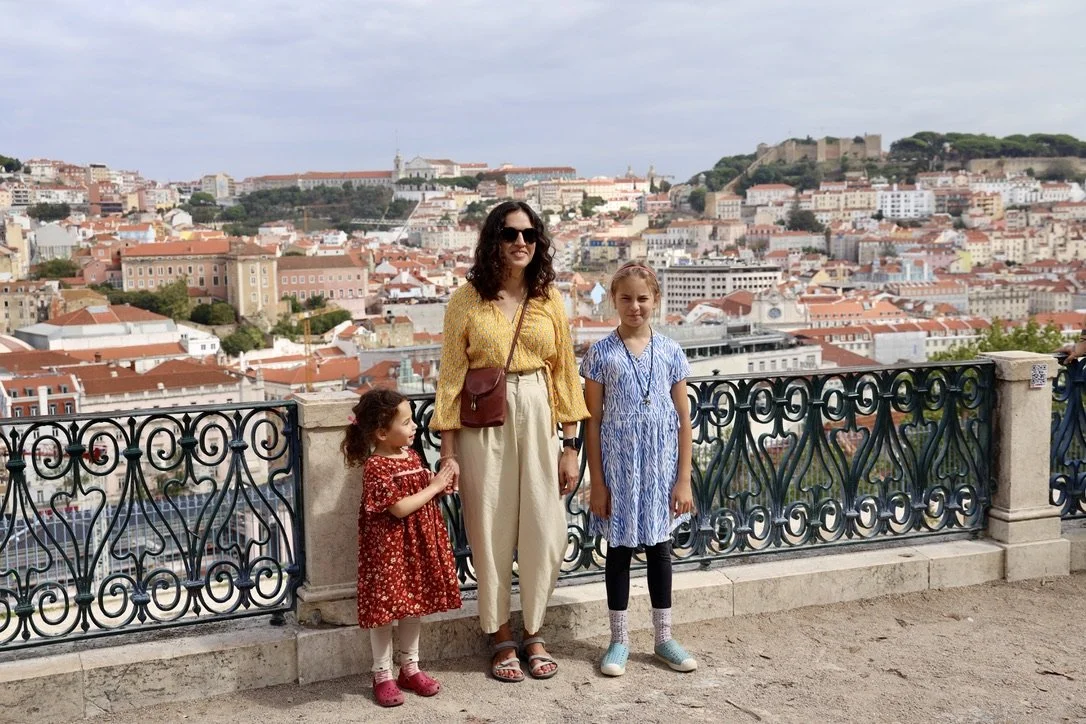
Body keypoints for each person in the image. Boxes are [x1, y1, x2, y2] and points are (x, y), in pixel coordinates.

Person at [432, 200, 589, 682]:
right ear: (493, 241)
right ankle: (501, 635)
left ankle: (534, 629)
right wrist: (448, 454)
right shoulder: (466, 299)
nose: (521, 242)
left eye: (529, 234)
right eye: (510, 233)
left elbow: (565, 373)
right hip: (484, 422)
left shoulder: (548, 298)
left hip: (540, 410)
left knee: (547, 529)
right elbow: (451, 378)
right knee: (490, 529)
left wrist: (570, 446)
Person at [582, 261, 698, 677]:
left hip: (660, 469)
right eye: (626, 298)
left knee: (660, 551)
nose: (635, 306)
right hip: (618, 469)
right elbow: (592, 422)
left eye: (642, 298)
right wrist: (597, 483)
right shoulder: (600, 354)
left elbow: (683, 418)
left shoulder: (671, 351)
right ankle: (619, 641)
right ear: (613, 301)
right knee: (618, 552)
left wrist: (683, 479)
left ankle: (664, 638)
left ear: (656, 301)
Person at [342, 389, 462, 708]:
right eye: (407, 422)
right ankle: (382, 673)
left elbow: (419, 491)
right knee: (384, 611)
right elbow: (398, 508)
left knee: (412, 605)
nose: (414, 426)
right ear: (382, 433)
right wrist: (434, 487)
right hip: (388, 550)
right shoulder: (376, 466)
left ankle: (410, 668)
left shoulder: (410, 456)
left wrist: (440, 484)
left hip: (413, 546)